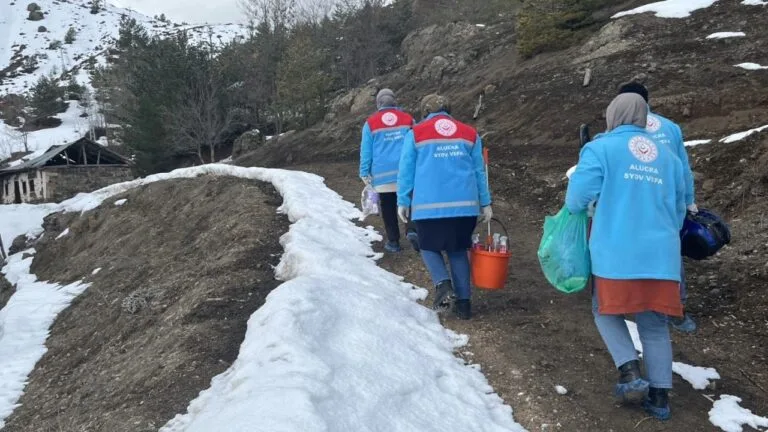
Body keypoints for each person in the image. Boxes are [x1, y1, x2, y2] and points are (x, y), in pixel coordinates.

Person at [566, 93, 687, 421]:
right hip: (661, 255)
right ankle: (660, 397)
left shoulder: (600, 148)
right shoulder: (669, 157)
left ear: (612, 115)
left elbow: (576, 200)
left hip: (616, 251)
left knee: (604, 310)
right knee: (655, 322)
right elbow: (678, 210)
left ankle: (630, 372)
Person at [397, 94, 493, 320]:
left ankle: (443, 284)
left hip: (429, 206)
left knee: (427, 246)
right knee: (458, 251)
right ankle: (464, 305)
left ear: (425, 112)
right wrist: (486, 202)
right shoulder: (470, 133)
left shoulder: (416, 133)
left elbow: (406, 171)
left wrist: (403, 200)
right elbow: (480, 172)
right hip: (465, 206)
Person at [619, 82, 698, 333]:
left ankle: (633, 299)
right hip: (667, 201)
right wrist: (688, 200)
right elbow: (683, 168)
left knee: (631, 247)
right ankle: (677, 309)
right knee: (669, 250)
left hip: (635, 199)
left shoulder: (624, 130)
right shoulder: (670, 127)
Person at [359, 88, 419, 253]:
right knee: (409, 202)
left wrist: (364, 172)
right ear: (395, 101)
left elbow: (366, 151)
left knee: (388, 207)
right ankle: (412, 230)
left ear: (378, 103)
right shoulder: (408, 119)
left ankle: (393, 242)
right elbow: (418, 141)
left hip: (382, 175)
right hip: (406, 172)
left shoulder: (370, 123)